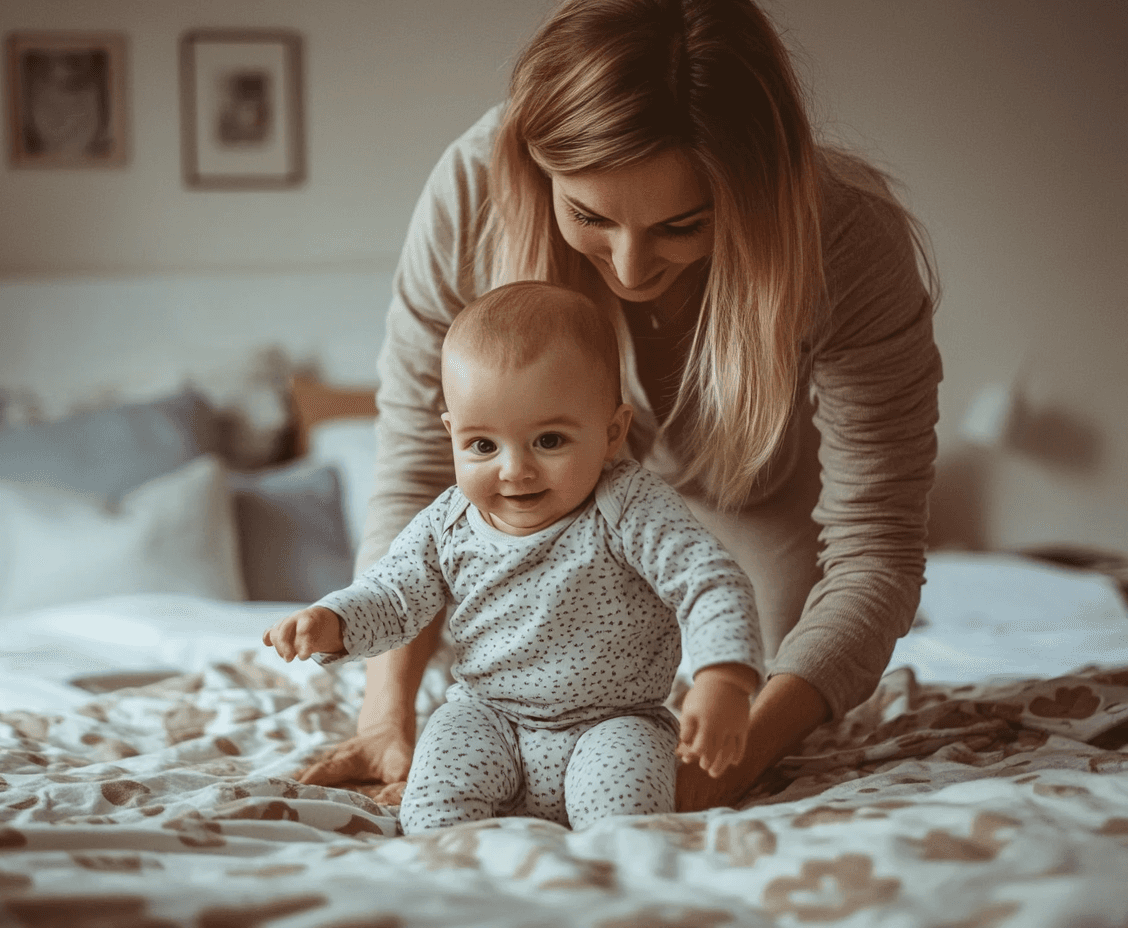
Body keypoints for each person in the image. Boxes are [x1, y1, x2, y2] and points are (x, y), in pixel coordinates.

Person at [299, 0, 942, 812]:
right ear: (542, 173)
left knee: (768, 659)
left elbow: (875, 550)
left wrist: (735, 761)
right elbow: (421, 482)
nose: (632, 267)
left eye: (684, 225)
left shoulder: (849, 239)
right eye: (589, 217)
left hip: (762, 500)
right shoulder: (471, 193)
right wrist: (385, 715)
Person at [265, 282, 763, 832]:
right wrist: (333, 620)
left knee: (626, 818)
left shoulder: (630, 507)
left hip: (614, 721)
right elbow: (393, 593)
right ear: (452, 435)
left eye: (549, 440)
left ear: (612, 431)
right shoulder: (447, 522)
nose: (514, 470)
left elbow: (707, 580)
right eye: (483, 445)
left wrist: (725, 677)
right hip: (487, 716)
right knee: (429, 808)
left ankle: (605, 894)